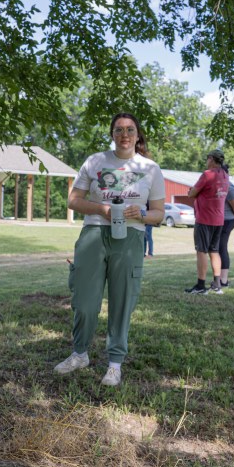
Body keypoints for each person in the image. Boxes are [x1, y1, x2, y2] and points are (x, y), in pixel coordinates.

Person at [54, 113, 165, 387]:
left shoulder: (151, 168)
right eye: (118, 130)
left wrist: (141, 213)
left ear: (138, 135)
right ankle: (79, 354)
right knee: (85, 301)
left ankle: (114, 364)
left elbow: (159, 214)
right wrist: (101, 209)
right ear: (112, 134)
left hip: (130, 237)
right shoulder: (95, 161)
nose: (124, 134)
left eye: (130, 130)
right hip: (93, 234)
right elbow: (73, 201)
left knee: (122, 300)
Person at [184, 148, 229, 295]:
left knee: (201, 251)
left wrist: (191, 191)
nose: (206, 161)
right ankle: (217, 284)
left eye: (207, 159)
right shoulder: (224, 175)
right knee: (214, 251)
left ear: (211, 159)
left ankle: (201, 286)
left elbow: (192, 193)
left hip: (204, 218)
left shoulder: (207, 174)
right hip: (219, 219)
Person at [217, 168, 234, 288]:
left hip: (228, 220)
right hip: (219, 220)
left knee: (222, 247)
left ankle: (224, 281)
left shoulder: (229, 187)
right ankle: (218, 278)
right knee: (216, 248)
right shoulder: (217, 185)